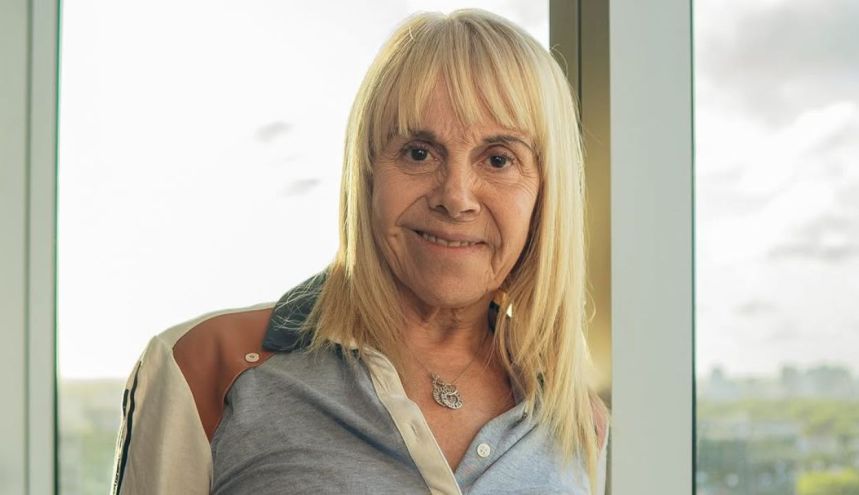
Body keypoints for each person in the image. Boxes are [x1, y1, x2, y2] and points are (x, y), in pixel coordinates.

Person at [111, 9, 609, 495]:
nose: (456, 197)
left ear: (546, 194)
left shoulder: (577, 419)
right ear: (367, 172)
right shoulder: (204, 368)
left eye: (499, 160)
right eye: (418, 152)